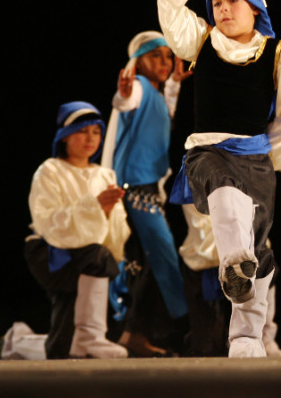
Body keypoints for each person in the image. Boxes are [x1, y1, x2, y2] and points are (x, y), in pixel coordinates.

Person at [158, 0, 281, 357]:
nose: (223, 9)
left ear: (255, 7)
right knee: (226, 194)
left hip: (256, 158)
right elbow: (172, 14)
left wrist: (271, 154)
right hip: (207, 151)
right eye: (218, 3)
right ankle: (231, 263)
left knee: (260, 250)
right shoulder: (201, 42)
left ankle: (246, 337)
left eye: (232, 1)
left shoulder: (276, 52)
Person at [102, 31, 189, 356]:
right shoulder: (137, 86)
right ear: (136, 63)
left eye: (168, 56)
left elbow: (164, 115)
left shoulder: (155, 92)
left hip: (148, 191)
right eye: (157, 56)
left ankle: (133, 333)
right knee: (159, 258)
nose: (165, 62)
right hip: (133, 191)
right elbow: (125, 101)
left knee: (145, 262)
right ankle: (168, 329)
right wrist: (122, 94)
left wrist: (175, 84)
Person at [25, 101, 131, 359]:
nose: (90, 138)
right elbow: (48, 221)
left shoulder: (105, 175)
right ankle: (90, 336)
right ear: (65, 136)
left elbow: (115, 231)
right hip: (51, 250)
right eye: (83, 131)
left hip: (90, 253)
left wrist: (105, 211)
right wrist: (94, 206)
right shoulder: (49, 171)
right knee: (97, 256)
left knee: (61, 344)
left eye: (96, 132)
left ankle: (17, 343)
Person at [178, 203, 281, 357]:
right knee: (207, 348)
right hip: (205, 259)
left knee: (261, 261)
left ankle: (263, 337)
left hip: (247, 248)